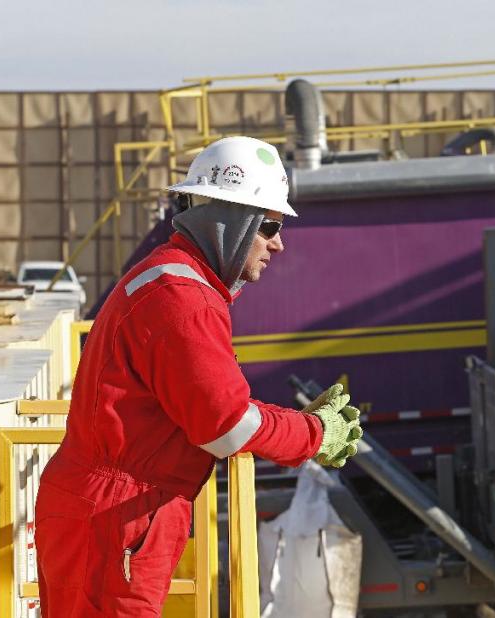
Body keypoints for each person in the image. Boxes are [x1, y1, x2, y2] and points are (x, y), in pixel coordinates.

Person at [34, 136, 363, 617]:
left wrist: (291, 424)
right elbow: (226, 427)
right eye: (269, 225)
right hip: (115, 516)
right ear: (232, 221)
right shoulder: (183, 299)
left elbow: (216, 408)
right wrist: (312, 435)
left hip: (109, 511)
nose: (279, 241)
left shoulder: (171, 280)